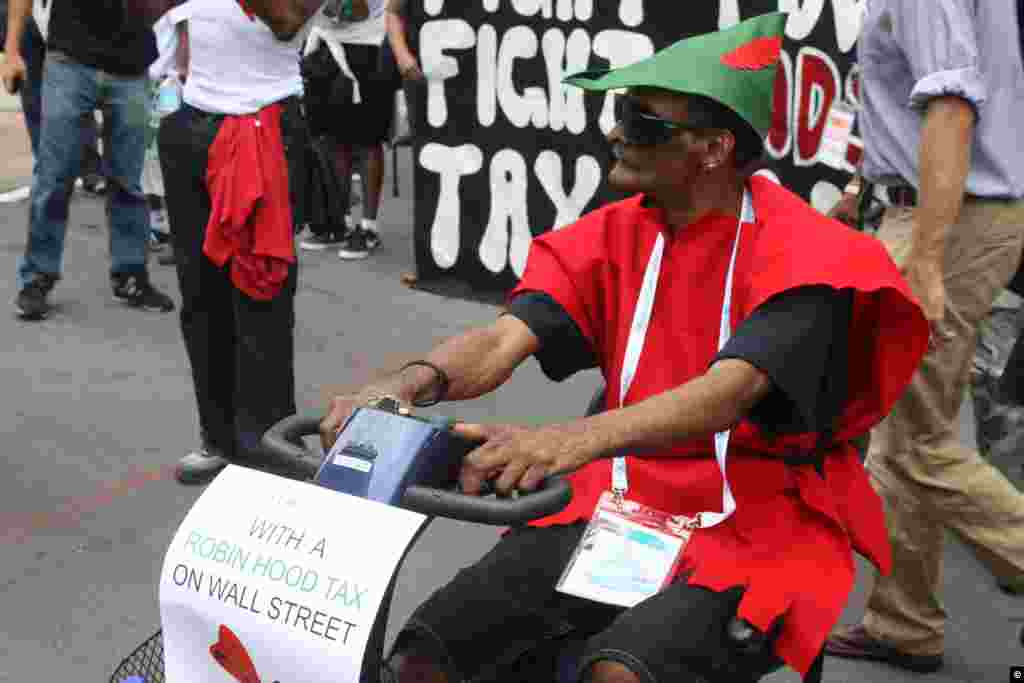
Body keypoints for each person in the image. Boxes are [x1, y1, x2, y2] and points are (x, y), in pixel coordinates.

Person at [313, 14, 929, 683]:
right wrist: (407, 384)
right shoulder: (615, 234)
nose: (614, 132)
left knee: (618, 675)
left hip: (755, 526)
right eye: (619, 113)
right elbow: (500, 340)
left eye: (642, 121)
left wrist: (566, 441)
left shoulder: (811, 254)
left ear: (713, 149)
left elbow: (730, 392)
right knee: (424, 659)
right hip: (621, 502)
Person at [823, 0, 1024, 673]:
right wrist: (863, 185)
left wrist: (929, 258)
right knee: (901, 430)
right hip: (938, 207)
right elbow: (914, 102)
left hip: (952, 218)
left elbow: (951, 110)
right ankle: (904, 621)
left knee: (918, 447)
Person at [158, 0, 309, 485]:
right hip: (190, 123)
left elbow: (286, 22)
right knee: (200, 296)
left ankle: (270, 455)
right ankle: (219, 438)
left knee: (261, 293)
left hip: (263, 124)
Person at [2, 0, 175, 320]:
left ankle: (131, 274)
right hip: (70, 61)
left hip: (132, 67)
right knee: (53, 176)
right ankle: (38, 276)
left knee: (128, 180)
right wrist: (12, 50)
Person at [300, 0, 392, 259]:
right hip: (323, 43)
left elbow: (353, 10)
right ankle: (341, 221)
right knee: (331, 140)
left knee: (366, 140)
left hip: (367, 47)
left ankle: (368, 227)